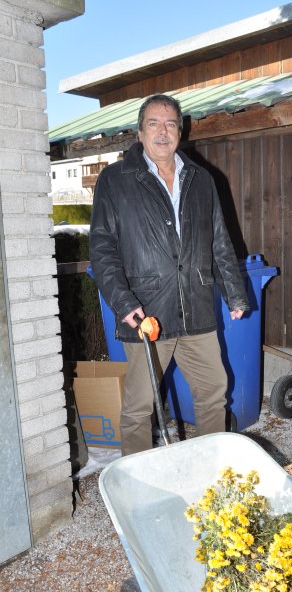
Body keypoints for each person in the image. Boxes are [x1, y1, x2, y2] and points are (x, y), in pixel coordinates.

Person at [90, 93, 250, 455]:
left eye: (170, 124)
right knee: (139, 407)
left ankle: (212, 471)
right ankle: (137, 480)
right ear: (140, 132)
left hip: (196, 308)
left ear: (180, 131)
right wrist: (123, 302)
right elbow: (102, 249)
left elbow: (219, 240)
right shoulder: (115, 179)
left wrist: (235, 292)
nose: (162, 131)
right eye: (153, 123)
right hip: (147, 311)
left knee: (213, 394)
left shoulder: (202, 179)